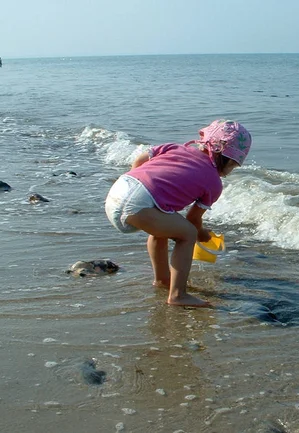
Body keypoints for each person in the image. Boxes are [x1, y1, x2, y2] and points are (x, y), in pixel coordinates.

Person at [105, 119, 252, 307]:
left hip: (119, 190)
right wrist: (201, 233)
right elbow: (193, 219)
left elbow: (141, 159)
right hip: (137, 205)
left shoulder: (175, 148)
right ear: (229, 160)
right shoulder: (214, 183)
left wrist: (138, 183)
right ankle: (178, 295)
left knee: (163, 228)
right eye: (233, 165)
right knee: (187, 234)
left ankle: (162, 280)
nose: (230, 170)